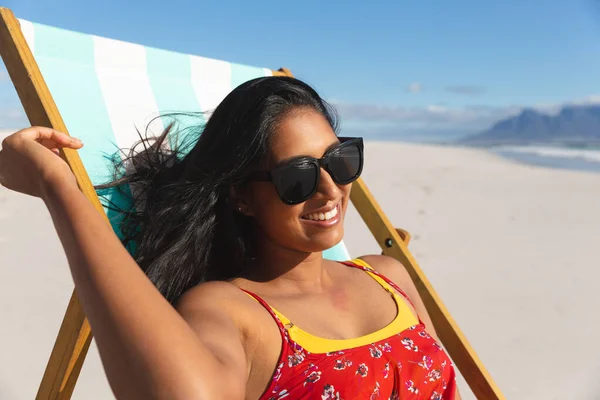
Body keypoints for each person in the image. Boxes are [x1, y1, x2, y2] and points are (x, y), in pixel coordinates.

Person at [0, 77, 460, 399]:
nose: (329, 189)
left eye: (340, 160)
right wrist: (58, 188)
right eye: (296, 177)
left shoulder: (387, 274)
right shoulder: (228, 311)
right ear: (241, 197)